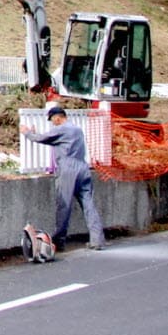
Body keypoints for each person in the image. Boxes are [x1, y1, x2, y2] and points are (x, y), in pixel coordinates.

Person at [24, 102, 106, 251]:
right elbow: (55, 141)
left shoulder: (61, 129)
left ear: (57, 118)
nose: (52, 124)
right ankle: (97, 240)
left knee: (64, 205)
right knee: (89, 205)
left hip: (68, 169)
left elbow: (41, 138)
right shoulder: (77, 129)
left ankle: (59, 242)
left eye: (52, 120)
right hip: (83, 168)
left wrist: (27, 133)